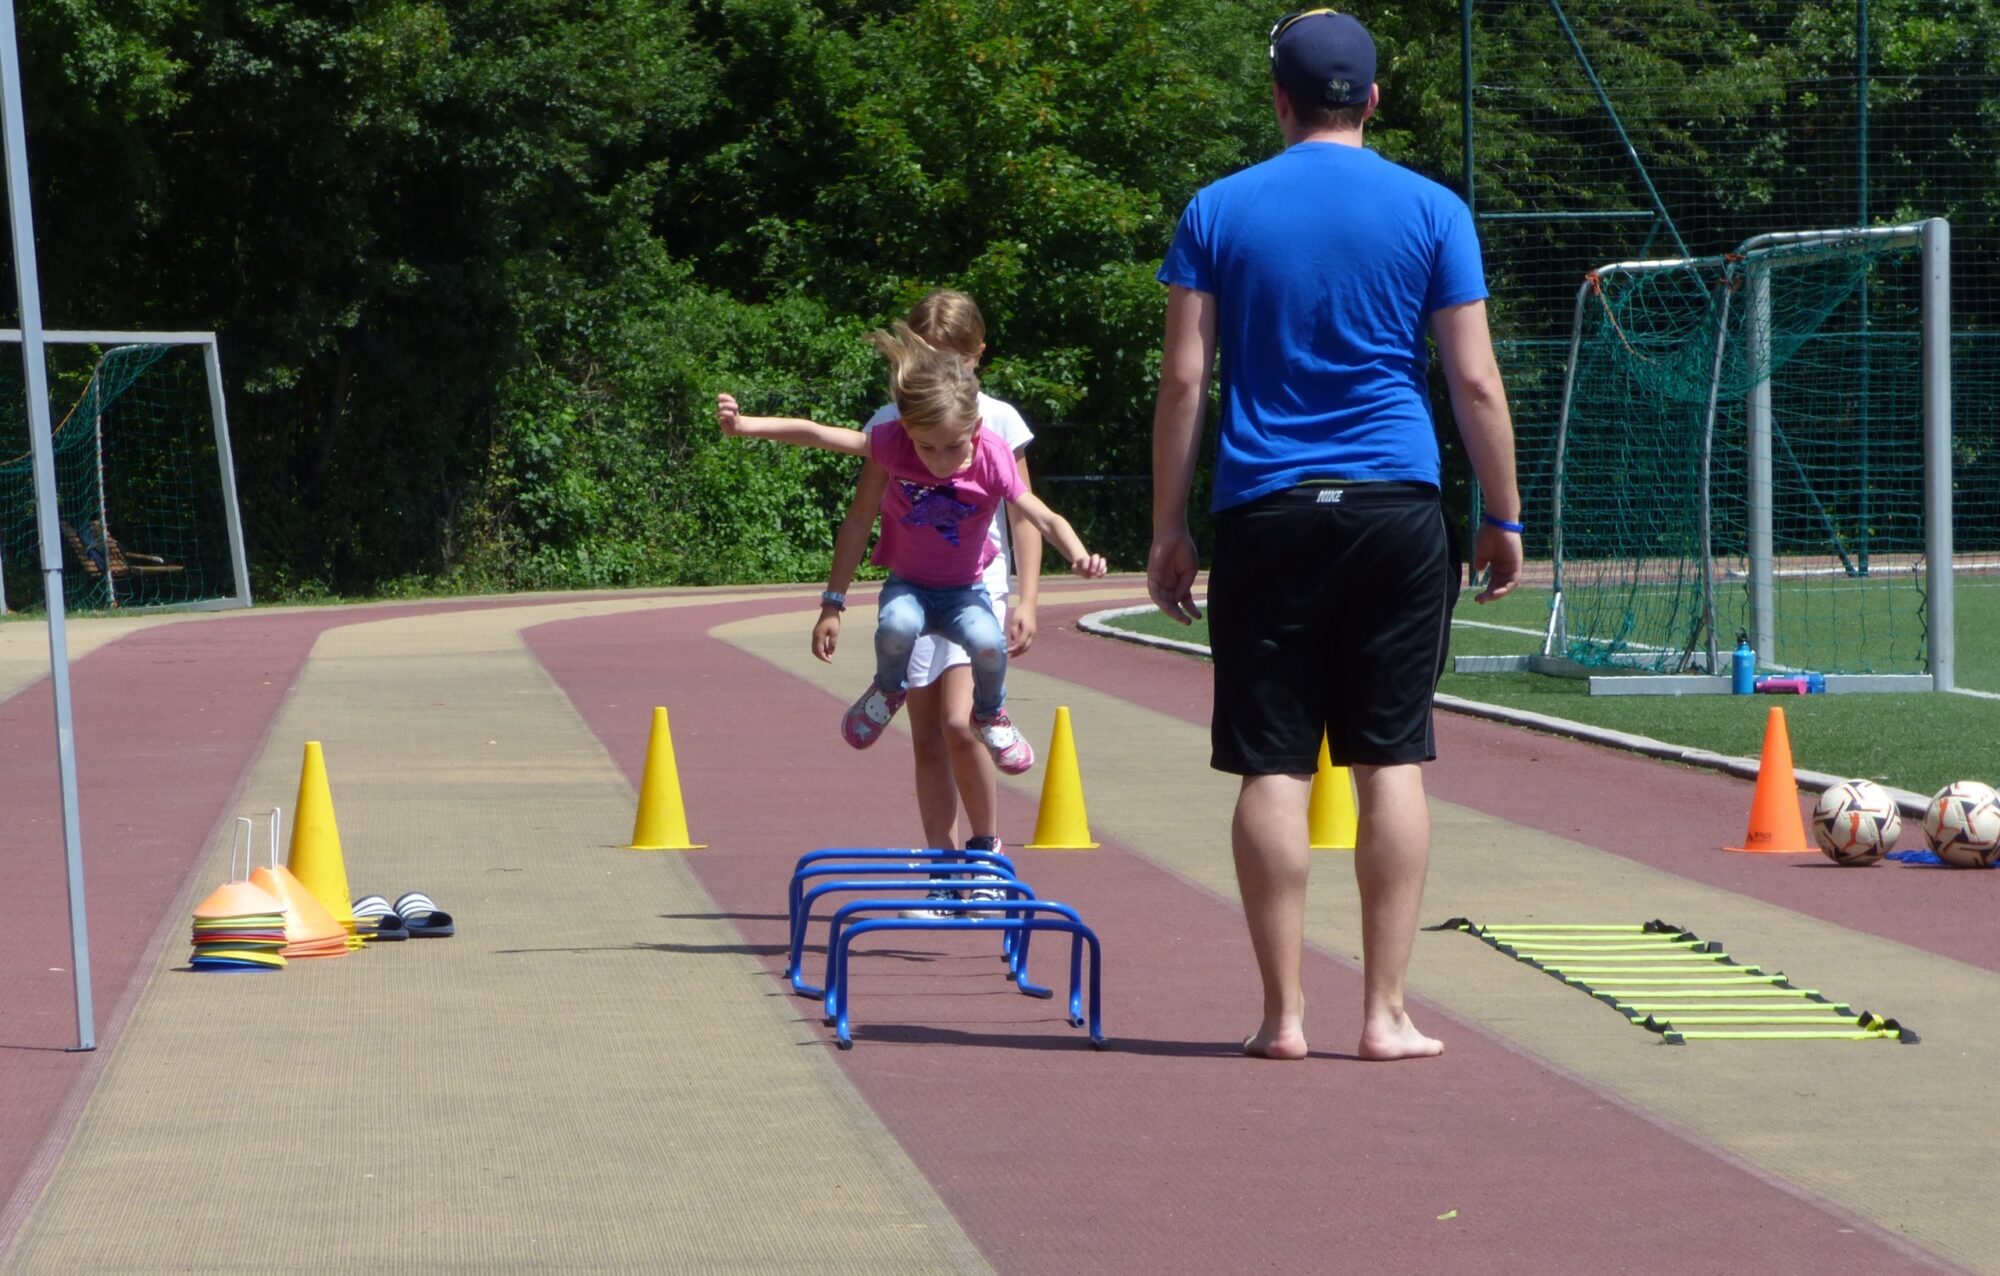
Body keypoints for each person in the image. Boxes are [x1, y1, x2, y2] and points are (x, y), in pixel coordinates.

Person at [1147, 9, 1523, 1063]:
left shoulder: (1216, 209)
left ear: (1275, 99)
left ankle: (1281, 1017)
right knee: (1389, 754)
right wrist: (1501, 514)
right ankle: (1383, 1012)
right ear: (1371, 98)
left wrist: (1168, 525)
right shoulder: (1432, 208)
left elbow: (1185, 379)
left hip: (1262, 506)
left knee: (1271, 763)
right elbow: (1474, 379)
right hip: (1393, 505)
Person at [718, 321, 1107, 781]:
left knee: (989, 644)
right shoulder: (892, 443)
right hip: (912, 586)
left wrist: (1079, 554)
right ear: (906, 429)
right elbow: (819, 434)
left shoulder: (993, 455)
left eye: (953, 447)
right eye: (927, 447)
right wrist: (745, 426)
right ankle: (887, 691)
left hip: (967, 590)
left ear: (976, 429)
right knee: (896, 625)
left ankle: (991, 715)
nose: (940, 459)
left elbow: (1040, 516)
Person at [825, 290, 1043, 913]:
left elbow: (1024, 515)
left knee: (960, 723)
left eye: (951, 360)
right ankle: (942, 869)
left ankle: (984, 850)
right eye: (923, 360)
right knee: (926, 735)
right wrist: (834, 598)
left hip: (978, 584)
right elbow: (862, 513)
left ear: (978, 357)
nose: (938, 373)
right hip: (915, 582)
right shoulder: (892, 425)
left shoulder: (998, 420)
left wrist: (1027, 597)